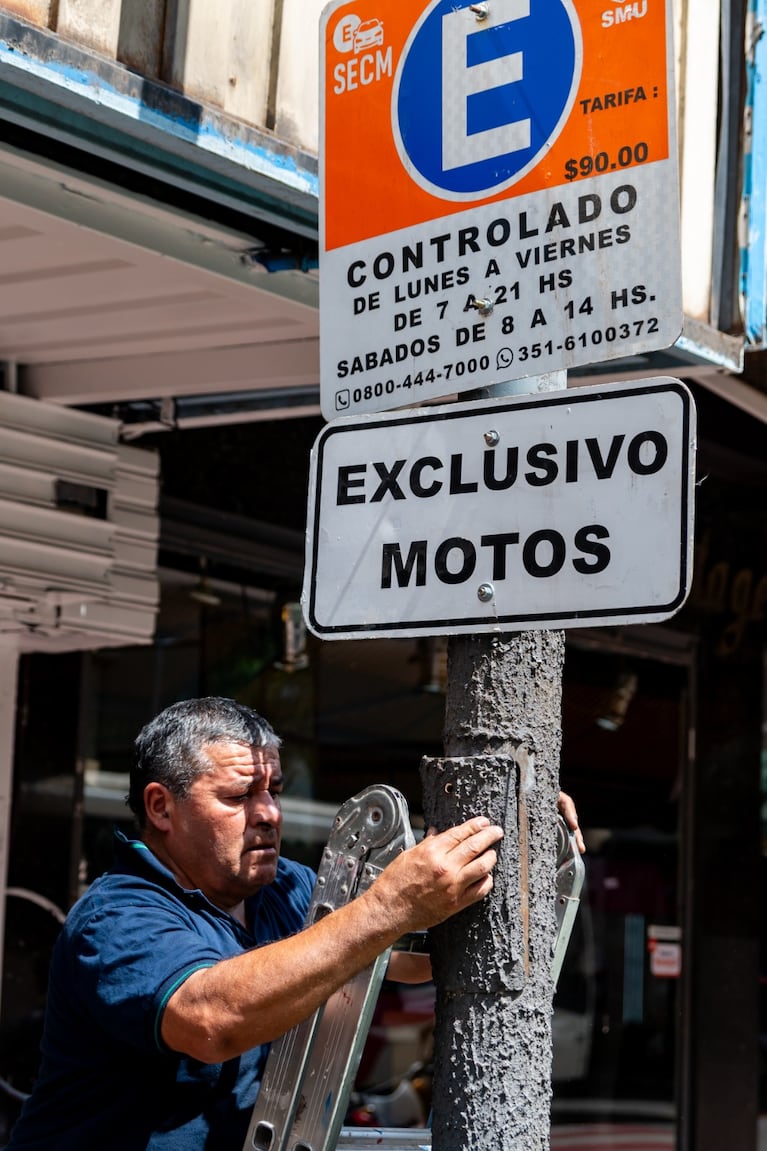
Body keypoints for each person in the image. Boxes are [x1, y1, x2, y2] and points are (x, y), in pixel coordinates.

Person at [7, 697, 582, 1150]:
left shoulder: (286, 887)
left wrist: (518, 845)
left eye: (274, 791)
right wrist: (388, 905)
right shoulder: (117, 915)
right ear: (161, 807)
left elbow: (412, 958)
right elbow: (213, 1021)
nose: (268, 813)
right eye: (240, 795)